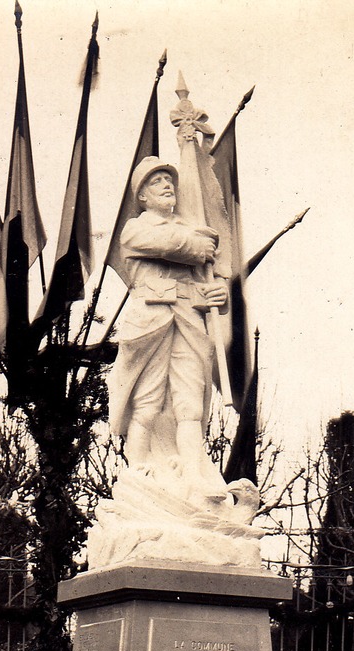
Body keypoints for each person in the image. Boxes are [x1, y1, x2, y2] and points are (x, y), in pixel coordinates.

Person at [107, 156, 229, 496]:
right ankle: (139, 473)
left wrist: (218, 294)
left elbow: (201, 284)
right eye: (156, 181)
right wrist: (199, 245)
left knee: (189, 402)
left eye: (169, 179)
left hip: (188, 321)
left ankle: (194, 475)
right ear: (142, 196)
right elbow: (166, 246)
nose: (167, 185)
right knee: (146, 402)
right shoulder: (136, 229)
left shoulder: (192, 232)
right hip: (151, 322)